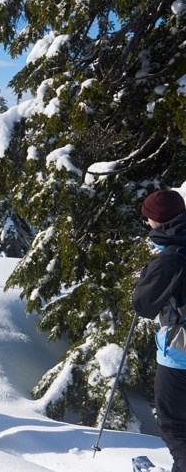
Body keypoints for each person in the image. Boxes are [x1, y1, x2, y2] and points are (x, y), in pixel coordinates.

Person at [134, 189, 186, 472]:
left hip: (180, 356)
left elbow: (143, 305)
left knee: (174, 425)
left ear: (158, 221)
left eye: (148, 218)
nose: (147, 223)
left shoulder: (169, 258)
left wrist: (147, 276)